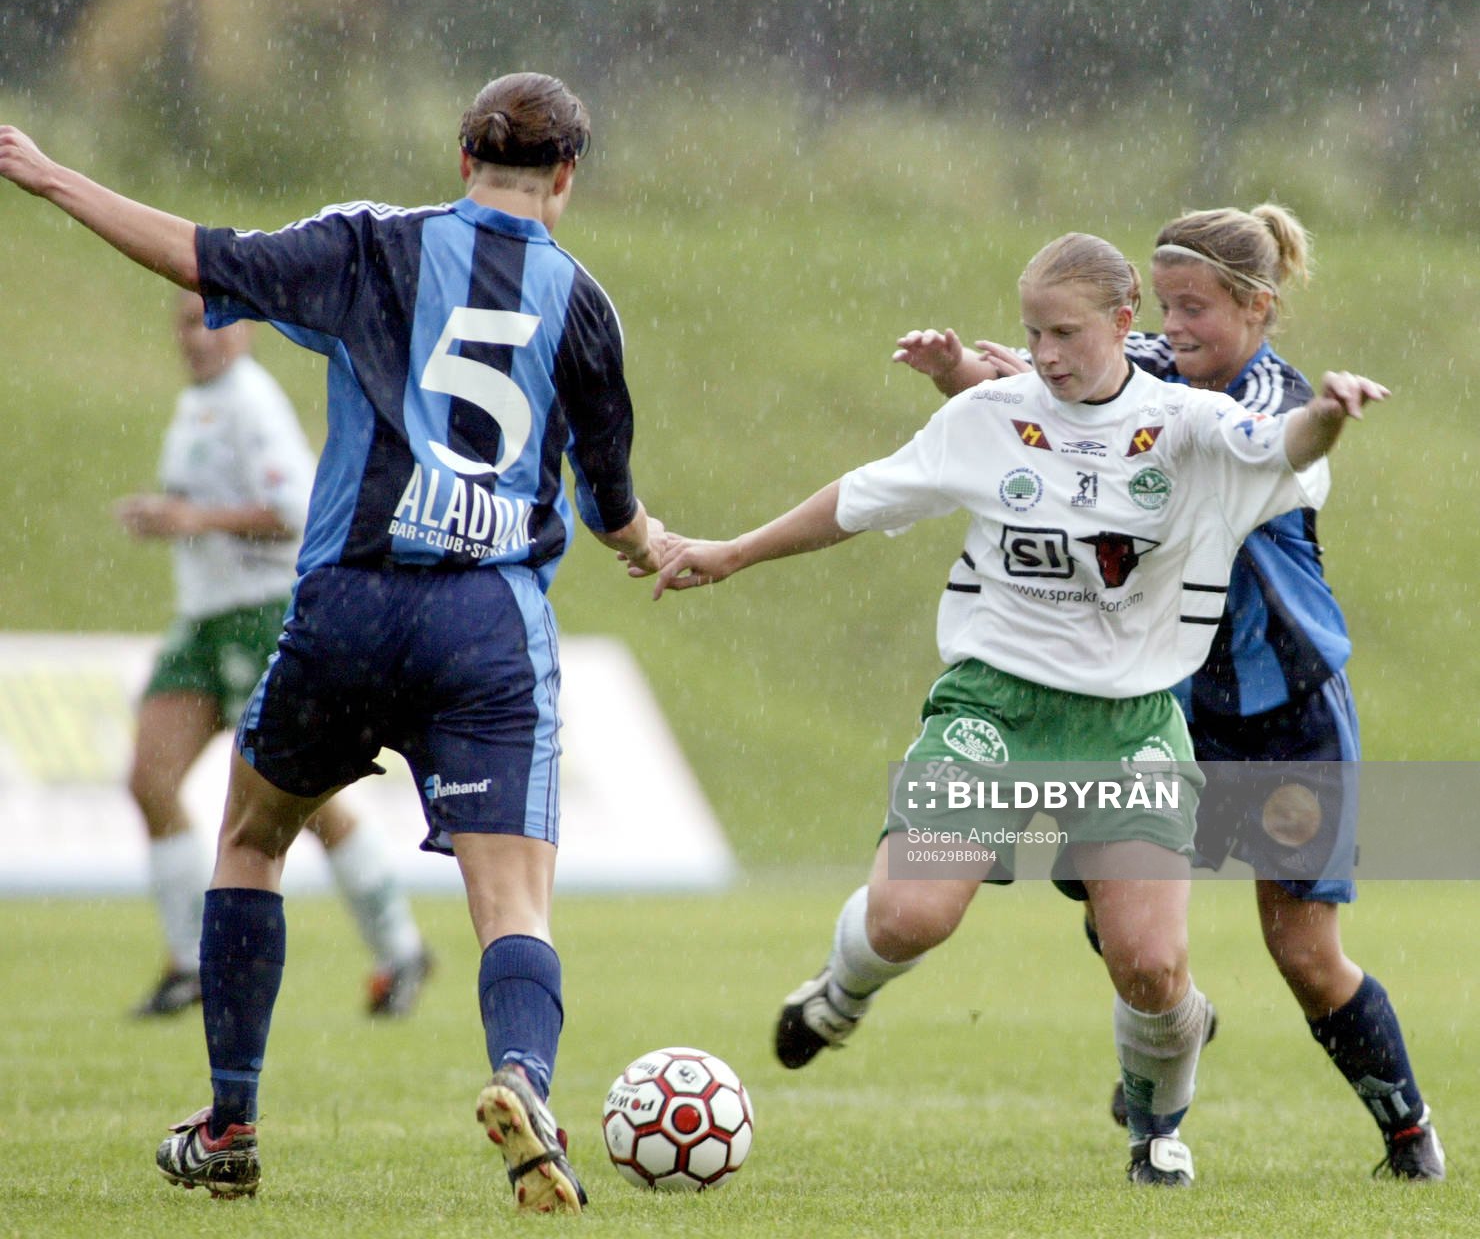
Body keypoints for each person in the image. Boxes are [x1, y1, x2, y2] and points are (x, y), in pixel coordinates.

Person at [0, 70, 663, 1214]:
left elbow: (198, 255)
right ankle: (522, 1075)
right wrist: (660, 545)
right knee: (513, 902)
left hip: (351, 605)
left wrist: (54, 177)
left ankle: (233, 1120)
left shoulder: (373, 246)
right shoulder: (584, 306)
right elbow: (610, 505)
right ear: (565, 178)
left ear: (463, 160)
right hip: (487, 624)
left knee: (254, 838)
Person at [653, 231, 1387, 1187]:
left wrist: (1330, 413)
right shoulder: (992, 416)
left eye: (1066, 334)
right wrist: (733, 551)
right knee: (910, 917)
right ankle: (841, 991)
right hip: (993, 709)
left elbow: (1282, 443)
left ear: (1125, 324)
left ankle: (1156, 1134)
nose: (1044, 354)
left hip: (1130, 726)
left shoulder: (1189, 424)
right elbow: (862, 499)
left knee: (1154, 970)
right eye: (1033, 332)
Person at [893, 203, 1443, 1182]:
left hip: (1286, 712)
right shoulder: (1143, 361)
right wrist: (963, 373)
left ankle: (1405, 1127)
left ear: (1259, 307)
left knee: (1305, 953)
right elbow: (1040, 401)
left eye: (1196, 311)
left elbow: (1283, 438)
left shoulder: (1269, 394)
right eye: (1165, 307)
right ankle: (1170, 1020)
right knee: (1116, 916)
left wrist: (1333, 412)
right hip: (1159, 700)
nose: (1173, 329)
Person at [118, 291, 433, 1021]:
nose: (196, 339)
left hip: (263, 615)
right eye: (184, 325)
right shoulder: (198, 405)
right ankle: (189, 962)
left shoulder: (251, 402)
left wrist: (191, 518)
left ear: (243, 332)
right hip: (204, 621)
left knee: (302, 805)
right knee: (148, 777)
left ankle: (401, 948)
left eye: (209, 322)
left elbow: (292, 512)